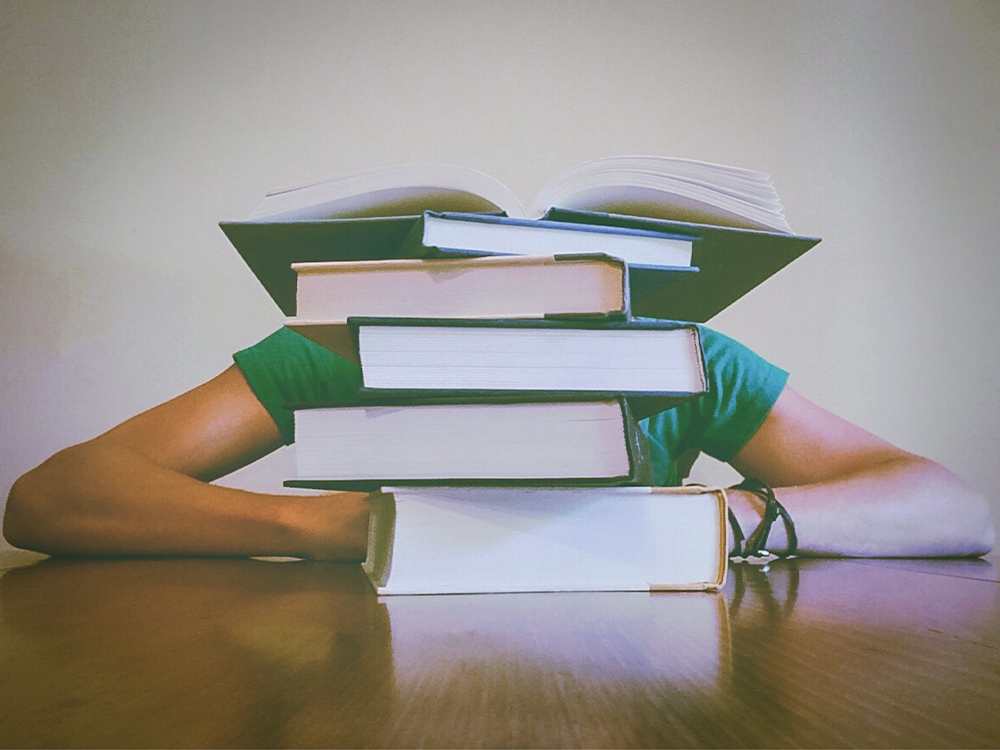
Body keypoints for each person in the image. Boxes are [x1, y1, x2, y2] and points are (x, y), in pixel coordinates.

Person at [3, 325, 994, 560]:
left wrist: (730, 518)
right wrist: (341, 526)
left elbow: (952, 504)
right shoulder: (343, 347)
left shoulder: (681, 360)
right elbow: (53, 497)